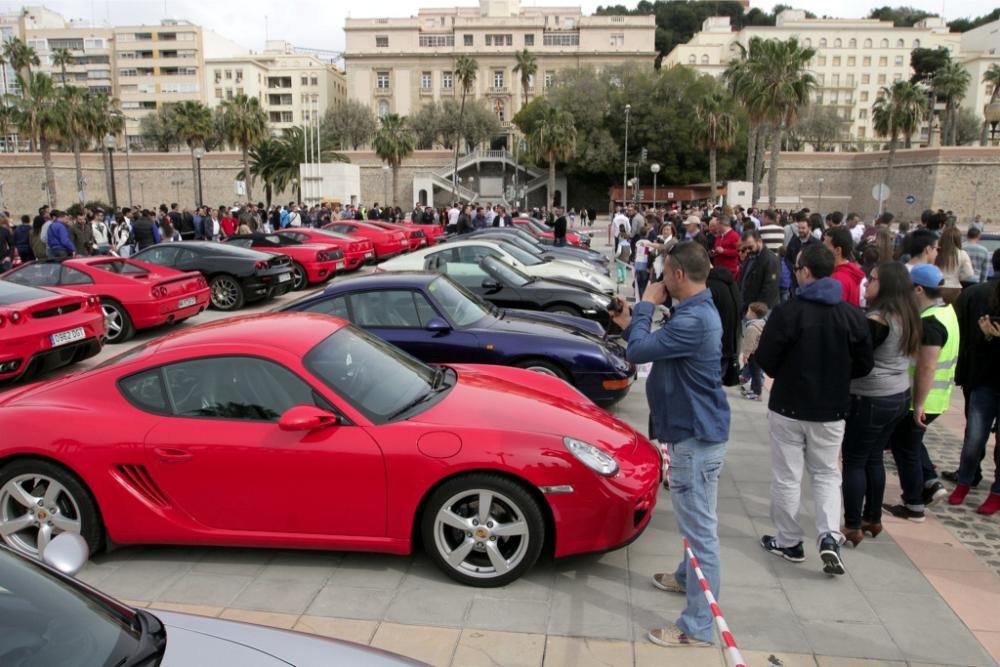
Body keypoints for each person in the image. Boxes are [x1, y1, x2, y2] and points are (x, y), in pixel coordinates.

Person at [610, 242, 730, 650]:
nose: (660, 282)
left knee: (700, 534)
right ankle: (685, 578)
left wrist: (645, 304)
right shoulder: (694, 313)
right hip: (694, 432)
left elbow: (640, 351)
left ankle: (696, 626)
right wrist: (631, 319)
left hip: (693, 438)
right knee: (697, 524)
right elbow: (653, 346)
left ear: (677, 275)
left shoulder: (694, 320)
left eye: (664, 275)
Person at [755, 244, 873, 575]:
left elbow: (767, 360)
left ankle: (789, 540)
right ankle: (829, 537)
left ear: (805, 271)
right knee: (826, 474)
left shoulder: (788, 312)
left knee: (788, 477)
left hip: (789, 407)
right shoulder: (851, 315)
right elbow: (864, 365)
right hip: (831, 409)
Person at [841, 263, 922, 546]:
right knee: (874, 457)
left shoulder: (879, 319)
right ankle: (872, 517)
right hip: (898, 394)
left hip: (872, 396)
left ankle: (853, 523)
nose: (866, 283)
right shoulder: (908, 313)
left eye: (871, 279)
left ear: (885, 285)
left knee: (854, 460)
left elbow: (858, 359)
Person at [884, 264, 959, 522]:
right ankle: (930, 483)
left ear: (918, 290)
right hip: (936, 397)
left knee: (905, 447)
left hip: (923, 398)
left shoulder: (930, 323)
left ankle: (914, 503)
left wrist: (919, 404)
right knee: (912, 443)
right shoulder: (947, 311)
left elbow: (927, 366)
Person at [947, 249, 1000, 515]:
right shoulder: (979, 294)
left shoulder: (974, 293)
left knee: (977, 438)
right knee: (974, 438)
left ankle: (995, 492)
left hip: (981, 378)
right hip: (984, 379)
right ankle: (965, 482)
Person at [738, 229, 780, 310]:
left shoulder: (770, 259)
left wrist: (757, 309)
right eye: (745, 248)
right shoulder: (750, 257)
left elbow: (770, 288)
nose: (747, 251)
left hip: (760, 309)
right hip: (747, 305)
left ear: (759, 241)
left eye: (750, 247)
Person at [823, 227, 864, 307]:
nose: (822, 250)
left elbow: (834, 313)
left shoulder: (837, 279)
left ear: (837, 250)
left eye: (825, 247)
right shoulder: (851, 270)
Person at [935, 226, 974, 303]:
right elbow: (969, 273)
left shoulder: (936, 252)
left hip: (937, 287)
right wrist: (958, 277)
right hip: (954, 288)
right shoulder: (962, 254)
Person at [741, 302, 768, 401]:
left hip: (753, 354)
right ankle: (754, 390)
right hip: (760, 353)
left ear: (753, 314)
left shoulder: (752, 328)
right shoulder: (762, 323)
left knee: (755, 373)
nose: (746, 313)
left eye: (748, 311)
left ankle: (757, 393)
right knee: (755, 373)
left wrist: (745, 355)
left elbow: (749, 343)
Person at [784, 217, 817, 291]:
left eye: (803, 228)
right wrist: (794, 269)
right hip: (795, 281)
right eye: (799, 228)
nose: (800, 230)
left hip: (810, 282)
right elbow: (787, 258)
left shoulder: (816, 243)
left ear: (809, 228)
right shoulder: (793, 241)